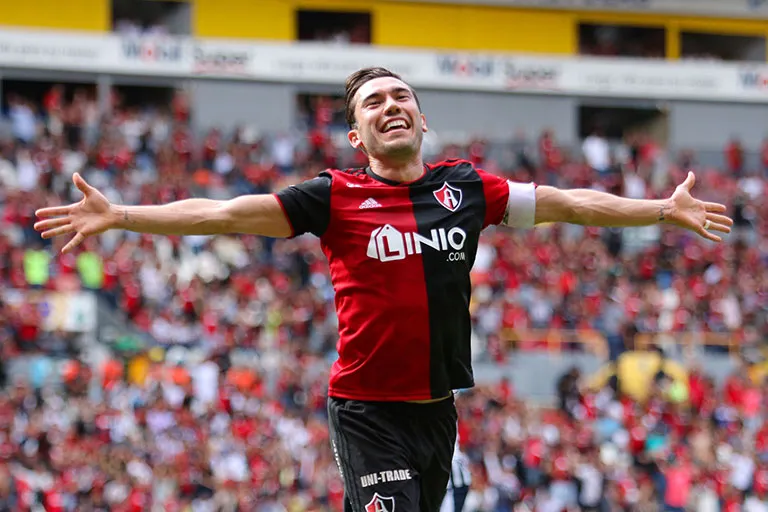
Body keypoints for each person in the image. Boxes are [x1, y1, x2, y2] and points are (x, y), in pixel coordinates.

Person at [34, 67, 733, 512]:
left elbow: (570, 203)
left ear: (422, 120)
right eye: (374, 102)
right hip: (366, 412)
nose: (391, 105)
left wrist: (660, 210)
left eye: (402, 97)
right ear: (356, 133)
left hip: (437, 413)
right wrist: (122, 215)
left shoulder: (468, 188)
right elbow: (220, 213)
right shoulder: (333, 196)